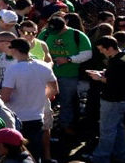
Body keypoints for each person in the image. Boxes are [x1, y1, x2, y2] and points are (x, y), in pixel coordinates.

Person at [0, 38, 58, 161]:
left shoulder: (13, 69)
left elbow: (5, 97)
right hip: (37, 117)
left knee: (17, 155)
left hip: (17, 118)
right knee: (34, 153)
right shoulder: (44, 66)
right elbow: (54, 89)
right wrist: (39, 98)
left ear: (15, 50)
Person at [39, 15, 92, 134]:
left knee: (67, 101)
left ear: (64, 26)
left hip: (69, 75)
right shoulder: (45, 33)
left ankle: (65, 126)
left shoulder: (77, 35)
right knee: (44, 101)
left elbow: (87, 54)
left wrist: (68, 59)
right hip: (47, 75)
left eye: (57, 31)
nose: (54, 34)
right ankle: (44, 126)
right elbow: (36, 48)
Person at [88, 35, 125, 163]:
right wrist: (103, 73)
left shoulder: (116, 62)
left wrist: (99, 78)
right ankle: (119, 154)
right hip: (121, 100)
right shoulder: (121, 57)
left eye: (101, 49)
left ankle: (101, 157)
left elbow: (115, 82)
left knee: (107, 130)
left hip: (112, 100)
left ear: (109, 48)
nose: (100, 52)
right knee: (120, 129)